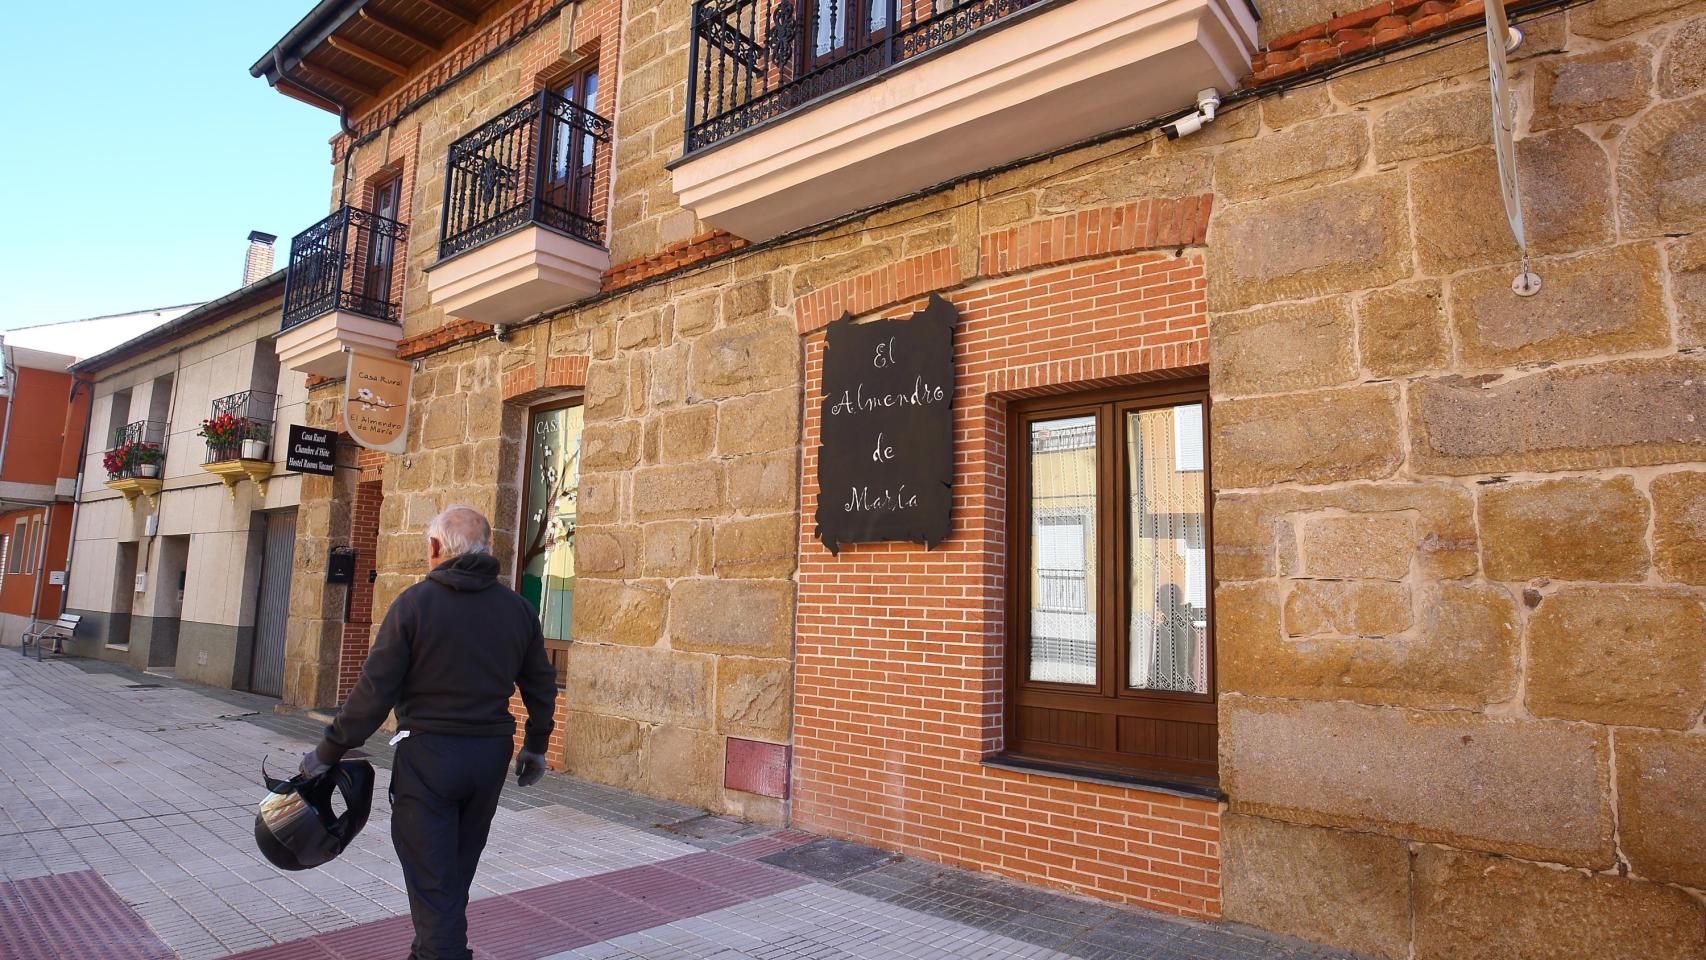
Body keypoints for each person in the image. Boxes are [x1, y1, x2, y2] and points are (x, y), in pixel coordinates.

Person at [301, 504, 557, 960]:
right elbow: (540, 684)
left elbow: (373, 692)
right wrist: (535, 747)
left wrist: (328, 749)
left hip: (429, 759)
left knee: (434, 879)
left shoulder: (414, 605)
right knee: (452, 871)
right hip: (488, 758)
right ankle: (428, 949)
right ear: (484, 551)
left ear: (435, 547)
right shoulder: (517, 609)